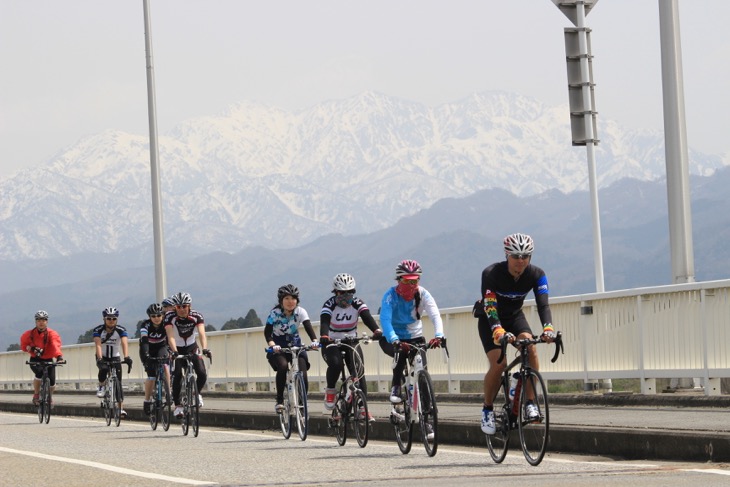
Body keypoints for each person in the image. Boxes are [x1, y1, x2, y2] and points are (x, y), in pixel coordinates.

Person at [477, 233, 556, 435]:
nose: (521, 260)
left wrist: (548, 328)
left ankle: (530, 402)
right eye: (516, 256)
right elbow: (490, 307)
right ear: (507, 255)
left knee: (531, 348)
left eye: (525, 256)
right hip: (490, 320)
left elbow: (543, 304)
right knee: (499, 364)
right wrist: (498, 330)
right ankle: (487, 408)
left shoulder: (537, 274)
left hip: (514, 316)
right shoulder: (491, 273)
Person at [379, 260, 445, 404]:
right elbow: (385, 320)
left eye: (415, 281)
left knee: (422, 368)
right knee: (401, 352)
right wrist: (395, 339)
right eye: (407, 281)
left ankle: (427, 410)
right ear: (399, 280)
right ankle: (396, 386)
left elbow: (435, 315)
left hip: (415, 338)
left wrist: (439, 335)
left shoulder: (423, 294)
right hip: (391, 339)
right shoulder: (390, 295)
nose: (412, 285)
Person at [319, 273, 382, 419]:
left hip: (351, 340)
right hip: (332, 342)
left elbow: (367, 317)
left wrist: (376, 330)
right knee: (336, 364)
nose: (346, 296)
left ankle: (362, 408)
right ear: (335, 292)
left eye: (350, 292)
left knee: (359, 371)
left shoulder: (358, 303)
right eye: (342, 293)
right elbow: (325, 321)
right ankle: (330, 390)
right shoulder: (329, 304)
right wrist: (324, 335)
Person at [264, 284, 318, 414]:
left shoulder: (300, 311)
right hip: (278, 346)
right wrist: (272, 345)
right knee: (282, 366)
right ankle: (280, 400)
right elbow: (267, 333)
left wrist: (315, 341)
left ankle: (302, 402)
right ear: (281, 300)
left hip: (295, 344)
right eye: (287, 298)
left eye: (293, 298)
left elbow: (308, 327)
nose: (290, 302)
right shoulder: (274, 313)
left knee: (303, 371)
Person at [164, 291, 212, 418]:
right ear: (175, 307)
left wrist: (205, 348)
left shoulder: (196, 316)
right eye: (178, 307)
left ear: (189, 306)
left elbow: (202, 333)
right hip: (176, 348)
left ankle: (197, 394)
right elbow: (170, 336)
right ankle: (178, 406)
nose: (181, 310)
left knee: (201, 373)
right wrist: (174, 352)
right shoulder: (169, 316)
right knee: (178, 375)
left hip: (192, 347)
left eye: (184, 306)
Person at [93, 306, 133, 419]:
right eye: (109, 318)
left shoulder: (121, 330)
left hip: (115, 357)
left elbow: (125, 343)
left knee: (118, 383)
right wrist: (100, 359)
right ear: (104, 319)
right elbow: (98, 345)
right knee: (104, 369)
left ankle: (120, 408)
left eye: (114, 318)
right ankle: (101, 385)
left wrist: (126, 357)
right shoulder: (98, 330)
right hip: (103, 356)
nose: (111, 321)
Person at [20, 310, 66, 406]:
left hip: (48, 359)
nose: (41, 322)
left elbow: (55, 345)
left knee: (52, 382)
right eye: (39, 320)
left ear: (47, 322)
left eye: (43, 320)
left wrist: (59, 356)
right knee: (39, 373)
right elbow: (23, 346)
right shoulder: (29, 334)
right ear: (36, 322)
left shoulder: (52, 333)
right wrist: (28, 348)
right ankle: (36, 394)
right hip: (35, 359)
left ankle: (50, 397)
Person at [139, 303, 170, 415]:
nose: (156, 318)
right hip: (148, 348)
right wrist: (146, 355)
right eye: (153, 316)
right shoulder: (145, 325)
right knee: (151, 376)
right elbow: (144, 341)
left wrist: (171, 351)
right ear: (149, 317)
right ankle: (147, 400)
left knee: (166, 365)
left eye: (159, 315)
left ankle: (168, 392)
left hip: (161, 347)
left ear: (162, 315)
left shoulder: (166, 324)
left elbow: (170, 339)